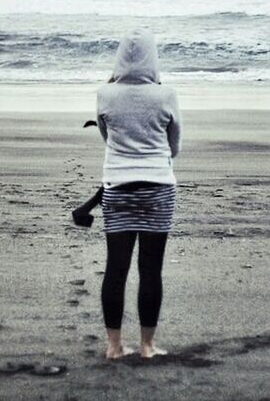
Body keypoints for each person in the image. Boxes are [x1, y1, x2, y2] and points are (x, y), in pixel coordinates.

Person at [94, 29, 181, 359]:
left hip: (117, 189)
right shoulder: (167, 94)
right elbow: (176, 143)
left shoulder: (104, 93)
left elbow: (106, 136)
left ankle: (114, 347)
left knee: (116, 268)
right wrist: (156, 157)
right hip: (158, 188)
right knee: (151, 269)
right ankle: (147, 346)